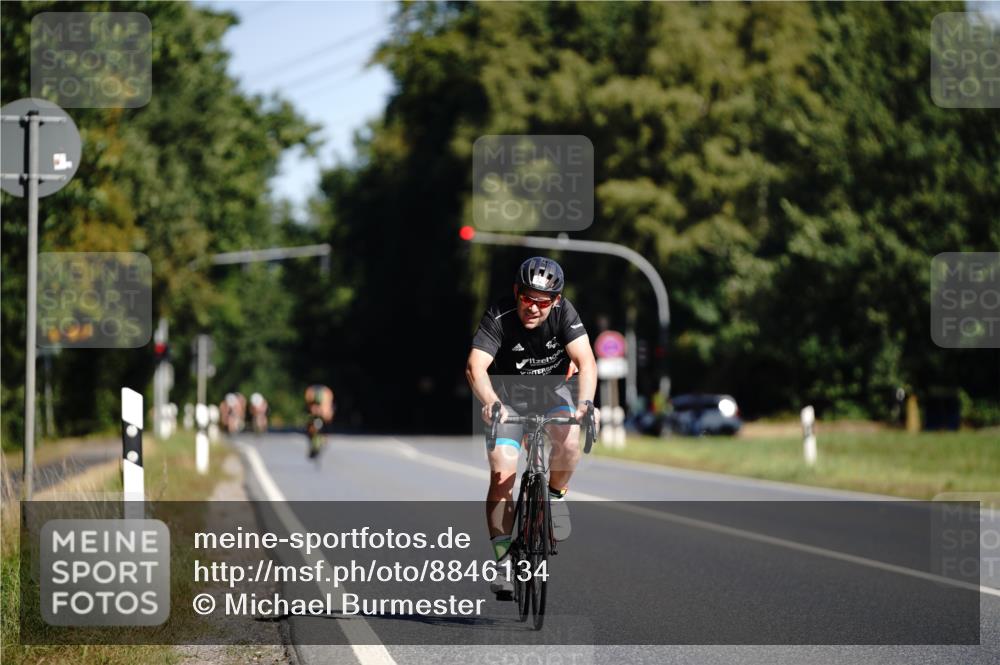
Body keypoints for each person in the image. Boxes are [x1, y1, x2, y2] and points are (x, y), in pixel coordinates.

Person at [465, 257, 599, 598]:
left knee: (568, 442)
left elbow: (586, 362)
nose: (533, 308)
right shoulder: (500, 314)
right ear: (516, 292)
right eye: (527, 298)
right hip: (508, 401)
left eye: (543, 301)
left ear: (555, 301)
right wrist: (491, 403)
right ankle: (503, 560)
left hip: (554, 395)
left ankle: (555, 497)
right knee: (501, 473)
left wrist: (584, 405)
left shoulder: (564, 313)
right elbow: (475, 367)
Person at [304, 384, 335, 458]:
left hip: (325, 399)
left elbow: (328, 411)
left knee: (327, 417)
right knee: (310, 420)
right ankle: (312, 438)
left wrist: (326, 415)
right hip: (312, 396)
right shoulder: (310, 393)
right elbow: (309, 407)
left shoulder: (327, 394)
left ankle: (325, 434)